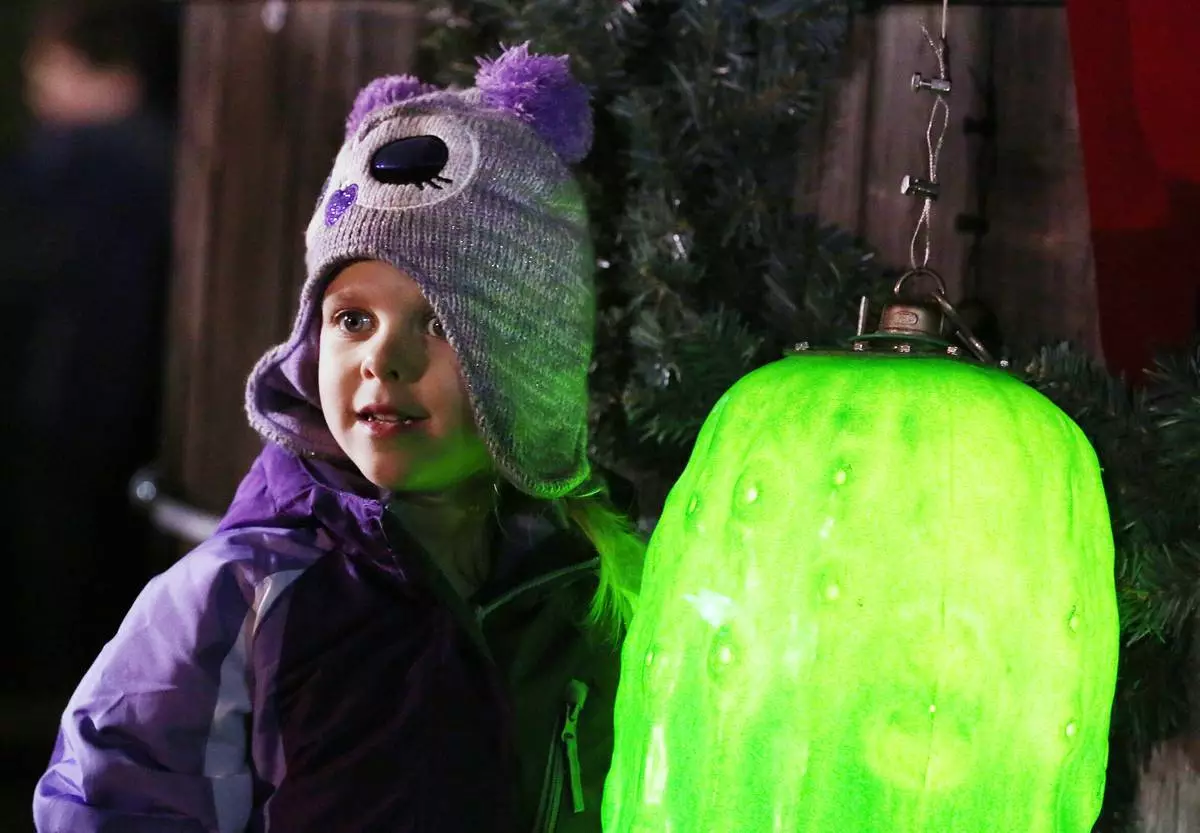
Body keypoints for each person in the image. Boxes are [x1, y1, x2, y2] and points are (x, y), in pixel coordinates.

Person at [32, 43, 644, 832]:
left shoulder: (590, 589)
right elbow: (108, 802)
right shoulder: (240, 599)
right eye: (352, 318)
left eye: (439, 322)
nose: (383, 359)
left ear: (532, 359)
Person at [0, 0, 176, 696]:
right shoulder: (177, 158)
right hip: (148, 425)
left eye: (45, 64)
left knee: (58, 600)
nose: (34, 82)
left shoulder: (70, 164)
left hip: (62, 417)